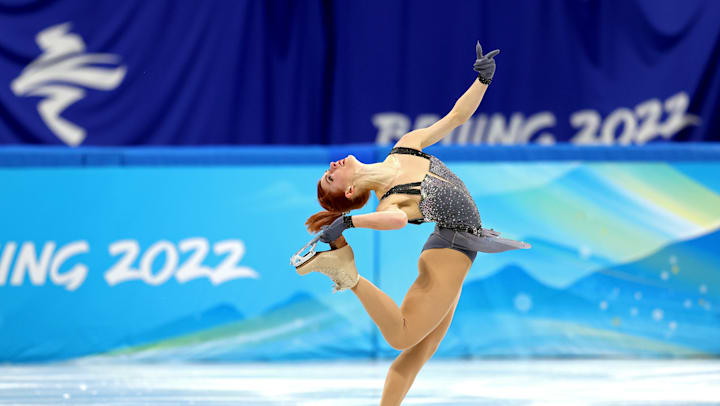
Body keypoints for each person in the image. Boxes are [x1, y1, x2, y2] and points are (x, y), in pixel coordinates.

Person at [297, 42, 530, 406]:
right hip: (449, 252)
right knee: (403, 335)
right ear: (351, 191)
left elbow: (454, 118)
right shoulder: (391, 197)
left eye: (327, 173)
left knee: (416, 353)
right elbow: (394, 220)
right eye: (330, 179)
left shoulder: (405, 146)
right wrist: (349, 222)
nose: (330, 169)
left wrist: (482, 82)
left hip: (453, 247)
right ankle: (350, 277)